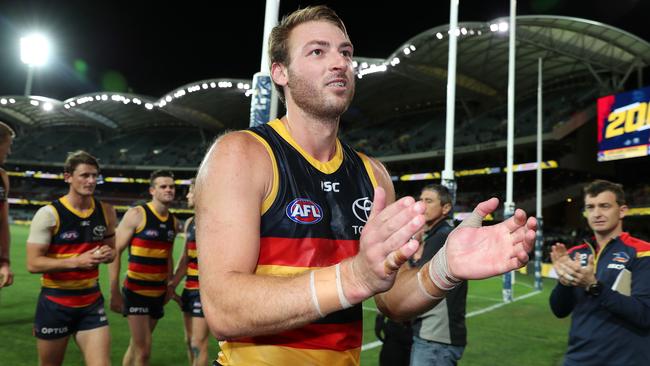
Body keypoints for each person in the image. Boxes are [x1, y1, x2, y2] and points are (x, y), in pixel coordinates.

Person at [194, 5, 537, 365]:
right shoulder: (243, 155)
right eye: (317, 51)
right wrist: (353, 276)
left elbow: (392, 301)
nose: (339, 62)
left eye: (345, 52)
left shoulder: (373, 176)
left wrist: (445, 267)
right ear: (280, 72)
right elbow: (223, 309)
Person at [26, 150, 117, 366]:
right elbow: (33, 263)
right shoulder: (49, 214)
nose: (91, 180)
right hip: (55, 303)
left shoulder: (106, 211)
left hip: (91, 303)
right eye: (85, 175)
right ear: (68, 177)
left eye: (95, 175)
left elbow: (112, 252)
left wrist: (107, 254)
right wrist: (77, 261)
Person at [549, 179, 650, 365]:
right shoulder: (575, 254)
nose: (597, 214)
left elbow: (645, 315)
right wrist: (564, 282)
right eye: (590, 207)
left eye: (604, 206)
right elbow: (559, 310)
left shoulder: (643, 252)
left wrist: (594, 286)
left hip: (626, 360)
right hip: (578, 359)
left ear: (622, 211)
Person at [109, 170, 179, 366]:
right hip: (136, 292)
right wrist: (114, 291)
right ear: (152, 190)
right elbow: (116, 251)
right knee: (144, 351)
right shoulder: (137, 214)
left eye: (171, 186)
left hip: (157, 293)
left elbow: (168, 257)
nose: (169, 190)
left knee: (136, 347)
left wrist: (169, 286)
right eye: (163, 186)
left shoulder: (173, 222)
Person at [409, 184, 467, 366]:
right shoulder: (442, 234)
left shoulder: (442, 237)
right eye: (420, 200)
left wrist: (410, 252)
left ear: (446, 208)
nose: (422, 205)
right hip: (437, 335)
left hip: (435, 337)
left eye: (429, 201)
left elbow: (415, 280)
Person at [169, 180, 210, 366]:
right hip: (189, 290)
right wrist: (172, 285)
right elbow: (185, 260)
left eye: (190, 192)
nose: (187, 196)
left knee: (198, 344)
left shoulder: (215, 220)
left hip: (205, 292)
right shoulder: (190, 222)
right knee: (189, 341)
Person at [0, 121, 15, 289]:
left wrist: (4, 262)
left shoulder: (3, 177)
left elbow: (3, 223)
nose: (9, 151)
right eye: (7, 145)